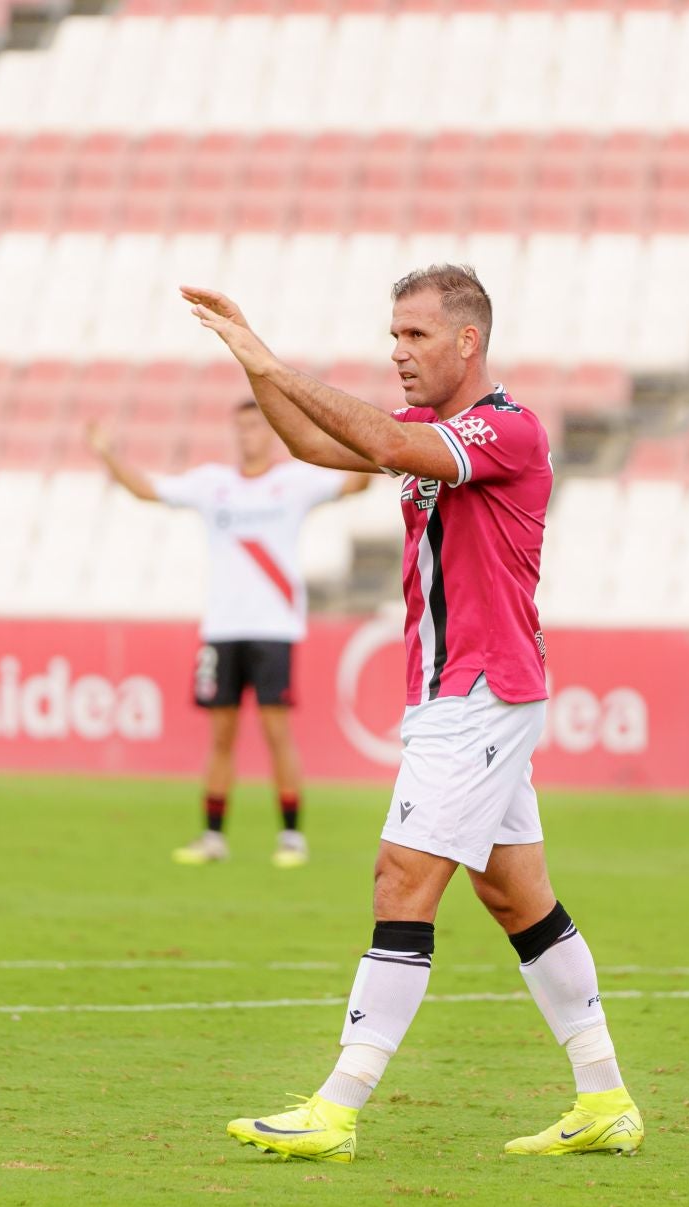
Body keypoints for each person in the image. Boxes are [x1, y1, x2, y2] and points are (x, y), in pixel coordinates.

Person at [184, 265, 644, 1161]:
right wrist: (254, 367)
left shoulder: (506, 430)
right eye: (393, 335)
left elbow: (390, 451)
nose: (397, 352)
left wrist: (273, 361)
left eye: (416, 336)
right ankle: (606, 1097)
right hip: (459, 692)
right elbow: (320, 448)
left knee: (401, 879)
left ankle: (338, 1104)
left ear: (468, 341)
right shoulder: (432, 431)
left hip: (479, 692)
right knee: (514, 895)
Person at [87, 404, 368, 868]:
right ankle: (214, 837)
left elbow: (356, 481)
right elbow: (146, 490)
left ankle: (292, 837)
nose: (248, 435)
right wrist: (107, 454)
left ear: (271, 432)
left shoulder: (294, 483)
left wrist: (372, 443)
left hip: (274, 628)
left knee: (278, 733)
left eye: (256, 425)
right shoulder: (211, 485)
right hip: (223, 628)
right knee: (221, 737)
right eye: (241, 427)